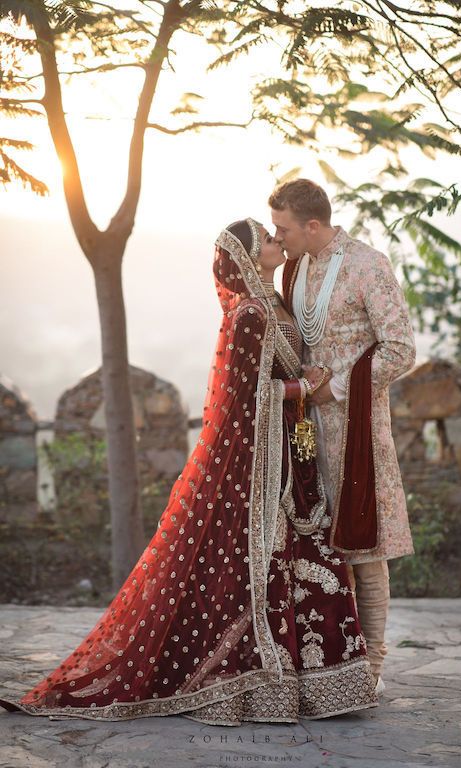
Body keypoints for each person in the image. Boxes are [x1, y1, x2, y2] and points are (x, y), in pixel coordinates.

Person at [0, 218, 377, 724]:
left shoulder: (275, 304)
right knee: (259, 565)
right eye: (264, 239)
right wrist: (303, 389)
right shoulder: (247, 316)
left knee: (306, 556)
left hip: (290, 460)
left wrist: (304, 384)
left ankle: (318, 685)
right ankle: (253, 684)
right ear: (245, 257)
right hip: (259, 467)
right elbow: (246, 399)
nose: (273, 242)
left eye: (272, 234)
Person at [270, 180, 416, 694]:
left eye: (284, 228)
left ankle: (370, 665)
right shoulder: (294, 268)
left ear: (313, 225)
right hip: (305, 430)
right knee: (316, 545)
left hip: (356, 429)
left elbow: (400, 349)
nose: (277, 236)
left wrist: (336, 387)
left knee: (364, 547)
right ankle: (333, 659)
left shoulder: (367, 265)